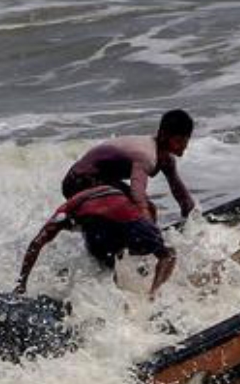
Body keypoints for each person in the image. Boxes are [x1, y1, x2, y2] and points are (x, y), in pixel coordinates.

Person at [18, 182, 178, 297]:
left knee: (106, 268)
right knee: (167, 254)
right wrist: (154, 233)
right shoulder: (114, 187)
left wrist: (22, 284)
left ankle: (116, 301)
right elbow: (149, 206)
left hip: (96, 223)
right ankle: (153, 295)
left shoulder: (66, 210)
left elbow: (36, 244)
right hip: (125, 217)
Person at [61, 109, 198, 221]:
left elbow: (180, 193)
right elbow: (138, 196)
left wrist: (194, 219)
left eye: (186, 141)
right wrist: (150, 231)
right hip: (77, 182)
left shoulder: (166, 160)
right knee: (143, 210)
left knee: (148, 210)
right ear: (163, 135)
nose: (183, 146)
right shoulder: (146, 155)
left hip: (101, 180)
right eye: (178, 141)